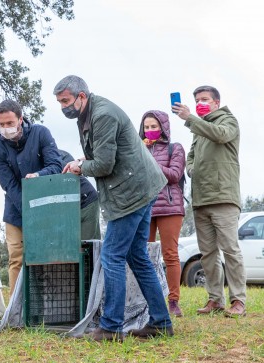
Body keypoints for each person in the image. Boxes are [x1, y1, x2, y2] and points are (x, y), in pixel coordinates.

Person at [54, 75, 171, 341]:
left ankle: (110, 327)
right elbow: (105, 154)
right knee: (137, 256)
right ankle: (161, 322)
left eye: (65, 101)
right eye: (60, 102)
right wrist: (86, 159)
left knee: (112, 256)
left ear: (81, 96)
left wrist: (79, 167)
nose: (63, 107)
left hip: (132, 191)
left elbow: (105, 165)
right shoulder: (89, 113)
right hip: (142, 186)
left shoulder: (102, 115)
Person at [172, 86, 246, 317]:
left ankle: (238, 300)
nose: (199, 103)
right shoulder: (198, 128)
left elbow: (220, 135)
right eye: (196, 100)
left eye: (204, 99)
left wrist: (190, 118)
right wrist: (192, 167)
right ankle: (215, 299)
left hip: (223, 196)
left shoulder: (228, 121)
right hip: (201, 198)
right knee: (208, 253)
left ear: (216, 102)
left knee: (230, 249)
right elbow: (192, 154)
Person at [0, 99, 63, 293]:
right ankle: (15, 309)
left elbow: (56, 165)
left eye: (10, 123)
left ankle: (47, 302)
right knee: (16, 257)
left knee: (46, 254)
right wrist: (28, 208)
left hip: (47, 206)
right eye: (1, 124)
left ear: (20, 119)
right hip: (16, 209)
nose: (5, 128)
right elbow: (9, 184)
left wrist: (39, 176)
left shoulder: (41, 133)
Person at [139, 110, 186, 318]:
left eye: (154, 126)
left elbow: (175, 175)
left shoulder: (174, 148)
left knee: (170, 254)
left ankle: (174, 301)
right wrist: (140, 152)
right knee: (144, 255)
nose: (150, 131)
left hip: (169, 207)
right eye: (146, 127)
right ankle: (145, 301)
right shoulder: (139, 148)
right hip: (144, 206)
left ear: (163, 127)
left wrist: (150, 162)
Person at [57, 150, 101, 240]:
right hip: (69, 206)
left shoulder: (56, 156)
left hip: (87, 202)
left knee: (87, 246)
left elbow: (70, 163)